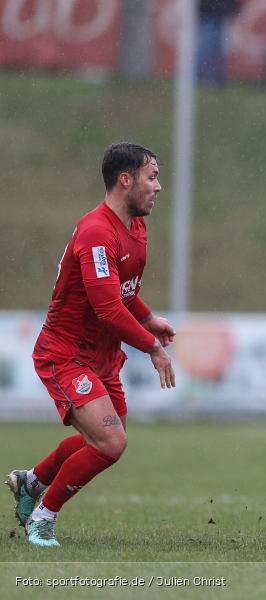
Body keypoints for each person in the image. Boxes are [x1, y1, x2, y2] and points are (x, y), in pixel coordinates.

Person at [6, 143, 176, 548]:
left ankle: (32, 482)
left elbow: (122, 293)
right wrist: (151, 345)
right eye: (151, 177)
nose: (158, 187)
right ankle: (43, 518)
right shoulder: (98, 232)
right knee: (111, 441)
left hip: (101, 357)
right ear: (125, 180)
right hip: (66, 355)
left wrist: (149, 317)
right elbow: (105, 309)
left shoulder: (135, 228)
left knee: (102, 439)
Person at [197, 0, 239, 85]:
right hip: (210, 13)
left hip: (217, 14)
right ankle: (207, 77)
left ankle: (214, 77)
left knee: (216, 48)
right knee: (208, 47)